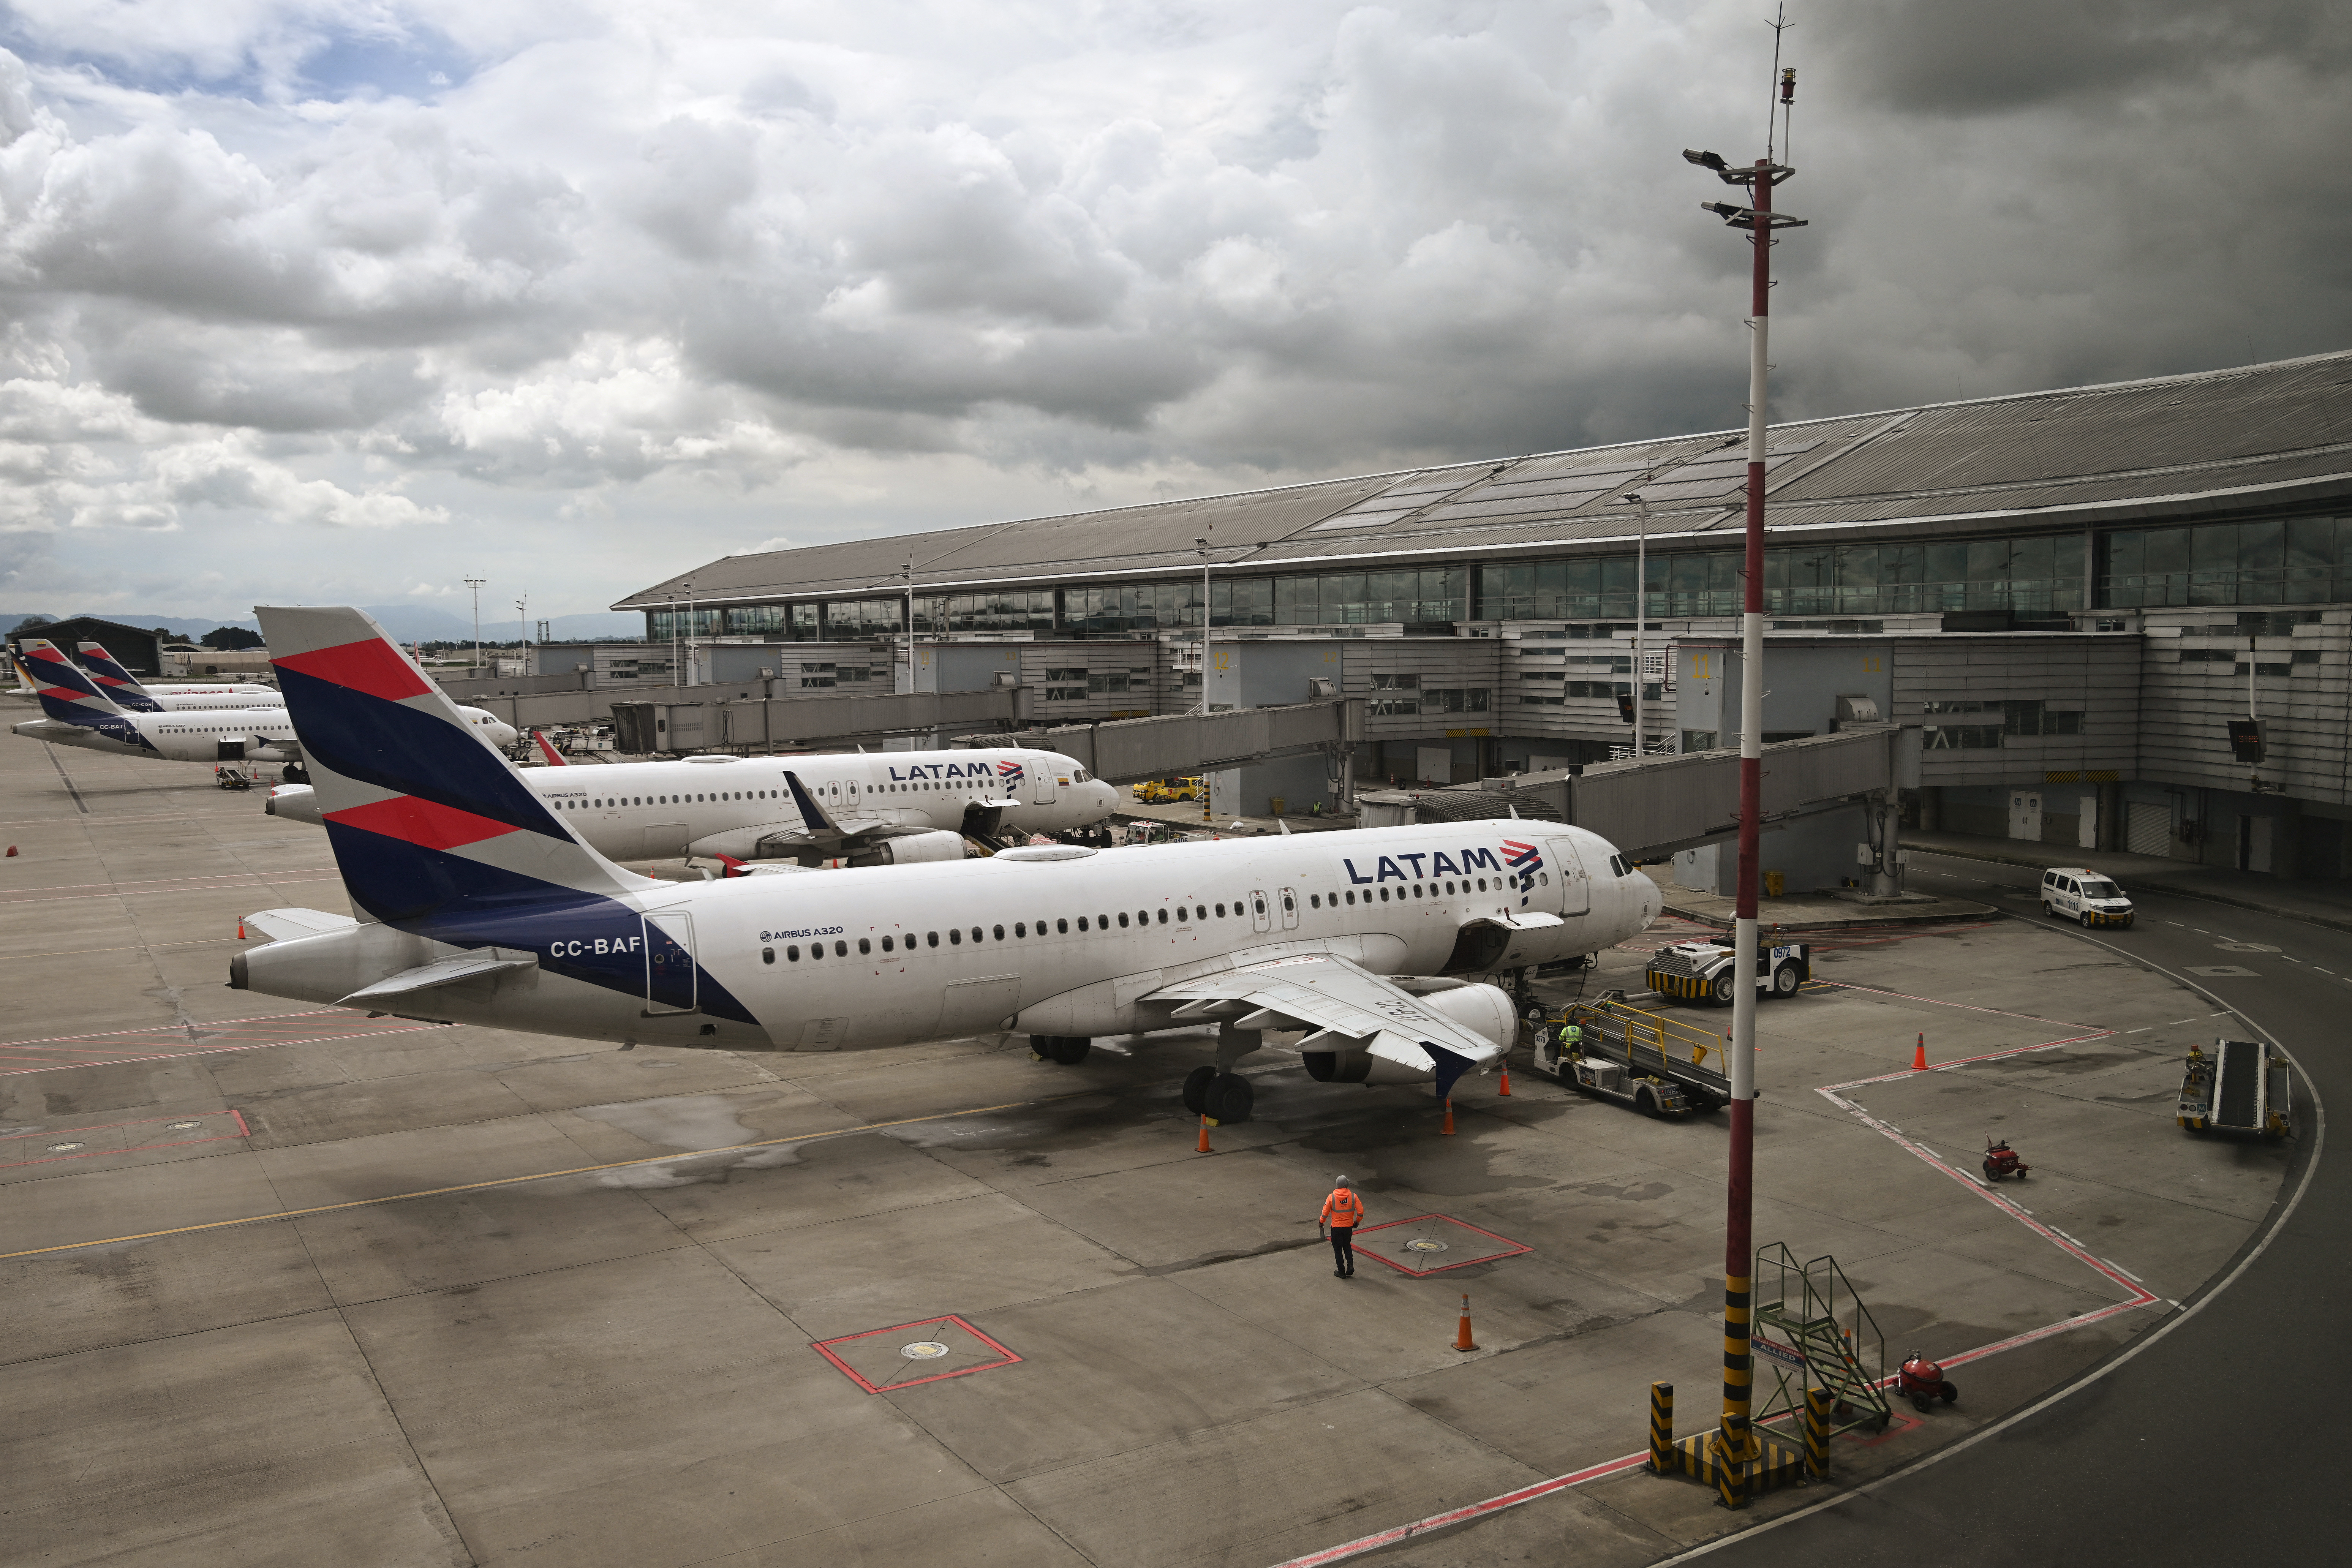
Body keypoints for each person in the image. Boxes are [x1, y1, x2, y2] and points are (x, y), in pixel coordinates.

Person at [1320, 1176, 1364, 1277]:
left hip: (1336, 1228)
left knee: (1338, 1250)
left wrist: (1321, 1222)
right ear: (1346, 1185)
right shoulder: (1354, 1196)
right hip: (1348, 1228)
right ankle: (1350, 1265)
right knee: (1347, 1245)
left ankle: (1341, 1272)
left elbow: (1325, 1212)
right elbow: (1361, 1212)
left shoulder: (1332, 1197)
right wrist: (1357, 1221)